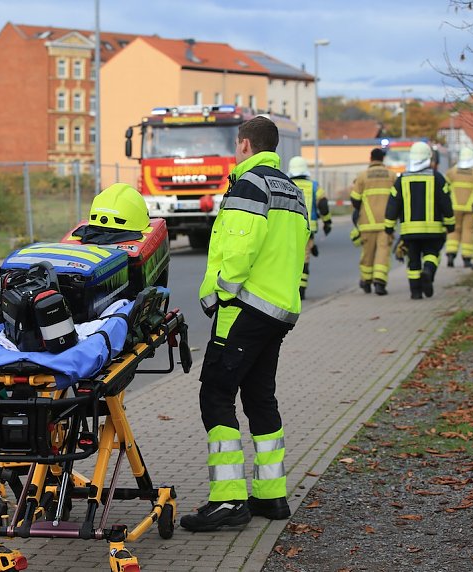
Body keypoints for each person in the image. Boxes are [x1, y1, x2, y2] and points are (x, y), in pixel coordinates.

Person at [180, 116, 310, 532]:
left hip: (244, 309)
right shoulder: (292, 189)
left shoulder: (250, 184)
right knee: (259, 398)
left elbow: (239, 248)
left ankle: (229, 500)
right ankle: (271, 496)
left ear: (245, 145)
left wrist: (221, 293)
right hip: (277, 310)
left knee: (216, 394)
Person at [384, 141, 454, 300]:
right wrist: (450, 224)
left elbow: (393, 204)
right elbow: (446, 202)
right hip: (433, 231)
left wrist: (389, 226)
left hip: (409, 232)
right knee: (432, 254)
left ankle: (415, 292)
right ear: (429, 158)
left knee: (413, 260)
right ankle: (428, 272)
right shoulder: (437, 178)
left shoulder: (402, 179)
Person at [350, 148, 398, 295]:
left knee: (367, 253)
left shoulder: (362, 176)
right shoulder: (392, 176)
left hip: (367, 222)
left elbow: (355, 199)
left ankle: (366, 281)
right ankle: (380, 282)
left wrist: (362, 210)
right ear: (382, 159)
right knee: (383, 252)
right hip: (386, 222)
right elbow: (398, 199)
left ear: (371, 158)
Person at [287, 156, 331, 299]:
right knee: (304, 258)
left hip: (288, 229)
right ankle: (301, 290)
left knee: (289, 258)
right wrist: (327, 222)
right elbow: (323, 204)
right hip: (307, 229)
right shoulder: (314, 186)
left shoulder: (286, 184)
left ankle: (289, 289)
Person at [444, 147, 473, 268]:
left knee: (454, 230)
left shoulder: (451, 172)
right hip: (470, 208)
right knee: (468, 231)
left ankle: (451, 253)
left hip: (454, 207)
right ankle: (466, 258)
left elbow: (445, 188)